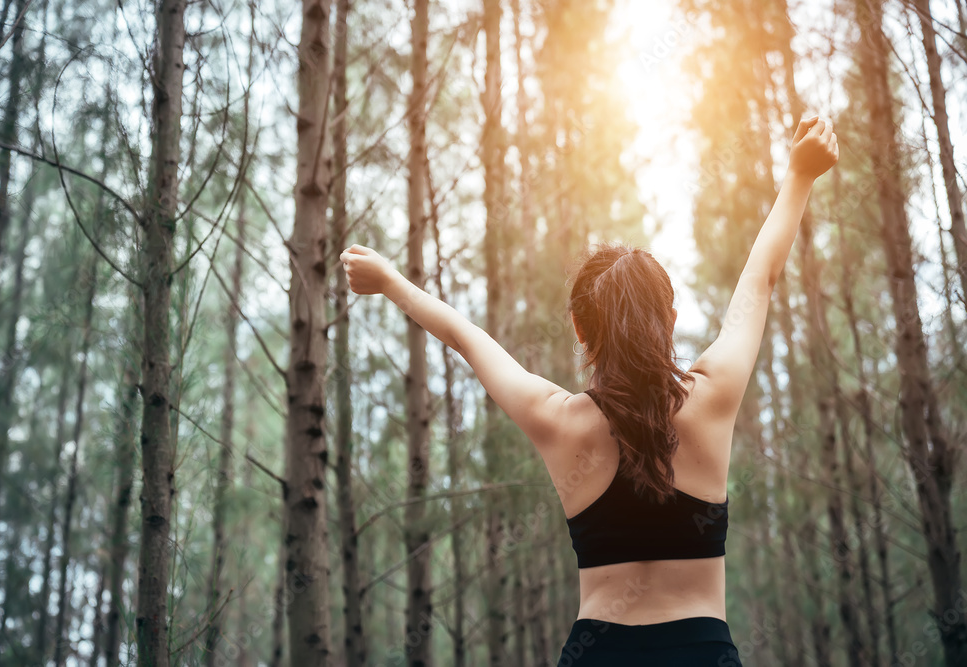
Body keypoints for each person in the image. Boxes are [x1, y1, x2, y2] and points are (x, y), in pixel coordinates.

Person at [340, 115, 839, 666]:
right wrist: (799, 174)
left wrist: (389, 281)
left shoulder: (559, 420)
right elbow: (762, 278)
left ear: (579, 329)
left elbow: (465, 336)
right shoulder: (713, 396)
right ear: (668, 321)